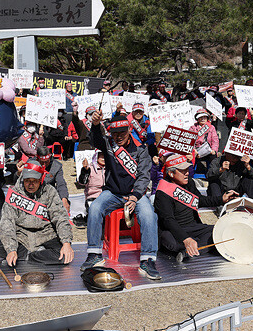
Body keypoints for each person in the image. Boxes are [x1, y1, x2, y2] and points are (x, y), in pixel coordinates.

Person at [81, 112, 159, 280]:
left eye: (122, 133)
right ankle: (94, 254)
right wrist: (95, 125)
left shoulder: (141, 149)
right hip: (112, 192)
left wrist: (135, 196)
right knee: (94, 208)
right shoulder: (108, 143)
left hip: (135, 194)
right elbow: (94, 140)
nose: (118, 137)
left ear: (129, 130)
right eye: (115, 133)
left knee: (149, 215)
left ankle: (148, 259)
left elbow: (144, 176)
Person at [155, 154, 237, 262]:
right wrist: (185, 239)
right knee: (169, 241)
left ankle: (186, 252)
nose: (187, 173)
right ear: (171, 173)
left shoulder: (189, 182)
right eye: (182, 171)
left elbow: (199, 200)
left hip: (193, 227)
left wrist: (221, 199)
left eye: (187, 170)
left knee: (219, 232)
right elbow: (168, 220)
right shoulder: (162, 192)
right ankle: (195, 247)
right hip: (174, 230)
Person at [0, 163, 75, 266]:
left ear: (41, 180)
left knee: (65, 255)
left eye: (34, 181)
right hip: (21, 237)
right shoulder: (15, 193)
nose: (31, 185)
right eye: (27, 181)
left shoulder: (50, 191)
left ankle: (28, 256)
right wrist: (11, 249)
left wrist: (66, 242)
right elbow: (7, 223)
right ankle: (36, 255)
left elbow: (60, 217)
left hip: (46, 235)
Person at [31, 146, 71, 212]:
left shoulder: (56, 166)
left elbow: (61, 183)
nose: (44, 164)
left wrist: (64, 199)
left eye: (46, 162)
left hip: (48, 194)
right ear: (37, 159)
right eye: (41, 162)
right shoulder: (30, 164)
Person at [190, 108, 219, 174]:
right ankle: (191, 174)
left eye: (204, 117)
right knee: (190, 157)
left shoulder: (211, 127)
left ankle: (211, 174)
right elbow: (190, 141)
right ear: (197, 118)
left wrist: (214, 150)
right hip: (197, 150)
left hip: (208, 150)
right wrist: (194, 150)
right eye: (201, 117)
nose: (203, 119)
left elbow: (215, 140)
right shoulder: (192, 128)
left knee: (213, 158)